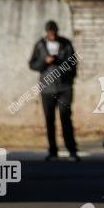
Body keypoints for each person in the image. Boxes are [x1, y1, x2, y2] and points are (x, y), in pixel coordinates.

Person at [29, 20, 79, 161]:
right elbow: (32, 64)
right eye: (50, 33)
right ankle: (53, 151)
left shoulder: (66, 44)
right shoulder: (40, 45)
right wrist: (45, 61)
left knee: (65, 118)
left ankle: (72, 150)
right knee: (49, 120)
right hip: (47, 89)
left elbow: (73, 64)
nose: (52, 35)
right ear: (46, 32)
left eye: (54, 32)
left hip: (64, 88)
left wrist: (60, 63)